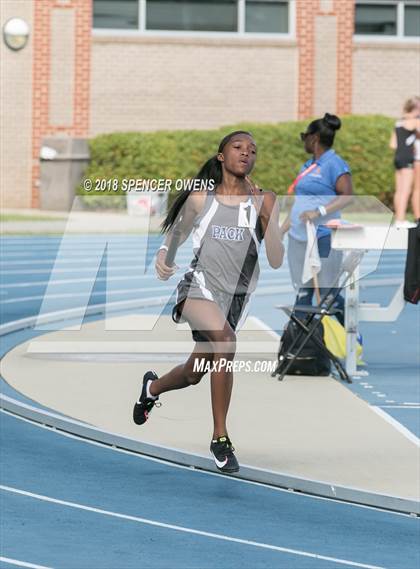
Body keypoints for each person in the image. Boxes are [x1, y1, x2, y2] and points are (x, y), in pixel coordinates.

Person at [132, 131, 284, 473]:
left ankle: (151, 388)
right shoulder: (203, 198)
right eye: (238, 147)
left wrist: (267, 219)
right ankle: (220, 438)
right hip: (197, 290)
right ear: (221, 156)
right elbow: (178, 232)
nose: (246, 153)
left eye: (253, 150)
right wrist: (163, 255)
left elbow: (275, 258)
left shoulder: (265, 199)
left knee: (195, 372)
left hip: (234, 299)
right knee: (227, 342)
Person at [280, 113, 353, 326]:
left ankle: (352, 340)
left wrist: (319, 211)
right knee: (303, 292)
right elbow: (299, 202)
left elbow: (347, 196)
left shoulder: (335, 164)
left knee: (329, 294)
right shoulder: (307, 165)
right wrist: (282, 229)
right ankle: (300, 346)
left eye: (304, 136)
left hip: (323, 236)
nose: (303, 141)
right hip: (299, 238)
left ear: (314, 138)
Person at [390, 97, 420, 228]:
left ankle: (398, 218)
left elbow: (392, 144)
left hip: (398, 158)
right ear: (416, 108)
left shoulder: (398, 123)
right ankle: (401, 220)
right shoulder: (415, 121)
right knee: (406, 190)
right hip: (408, 158)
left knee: (399, 190)